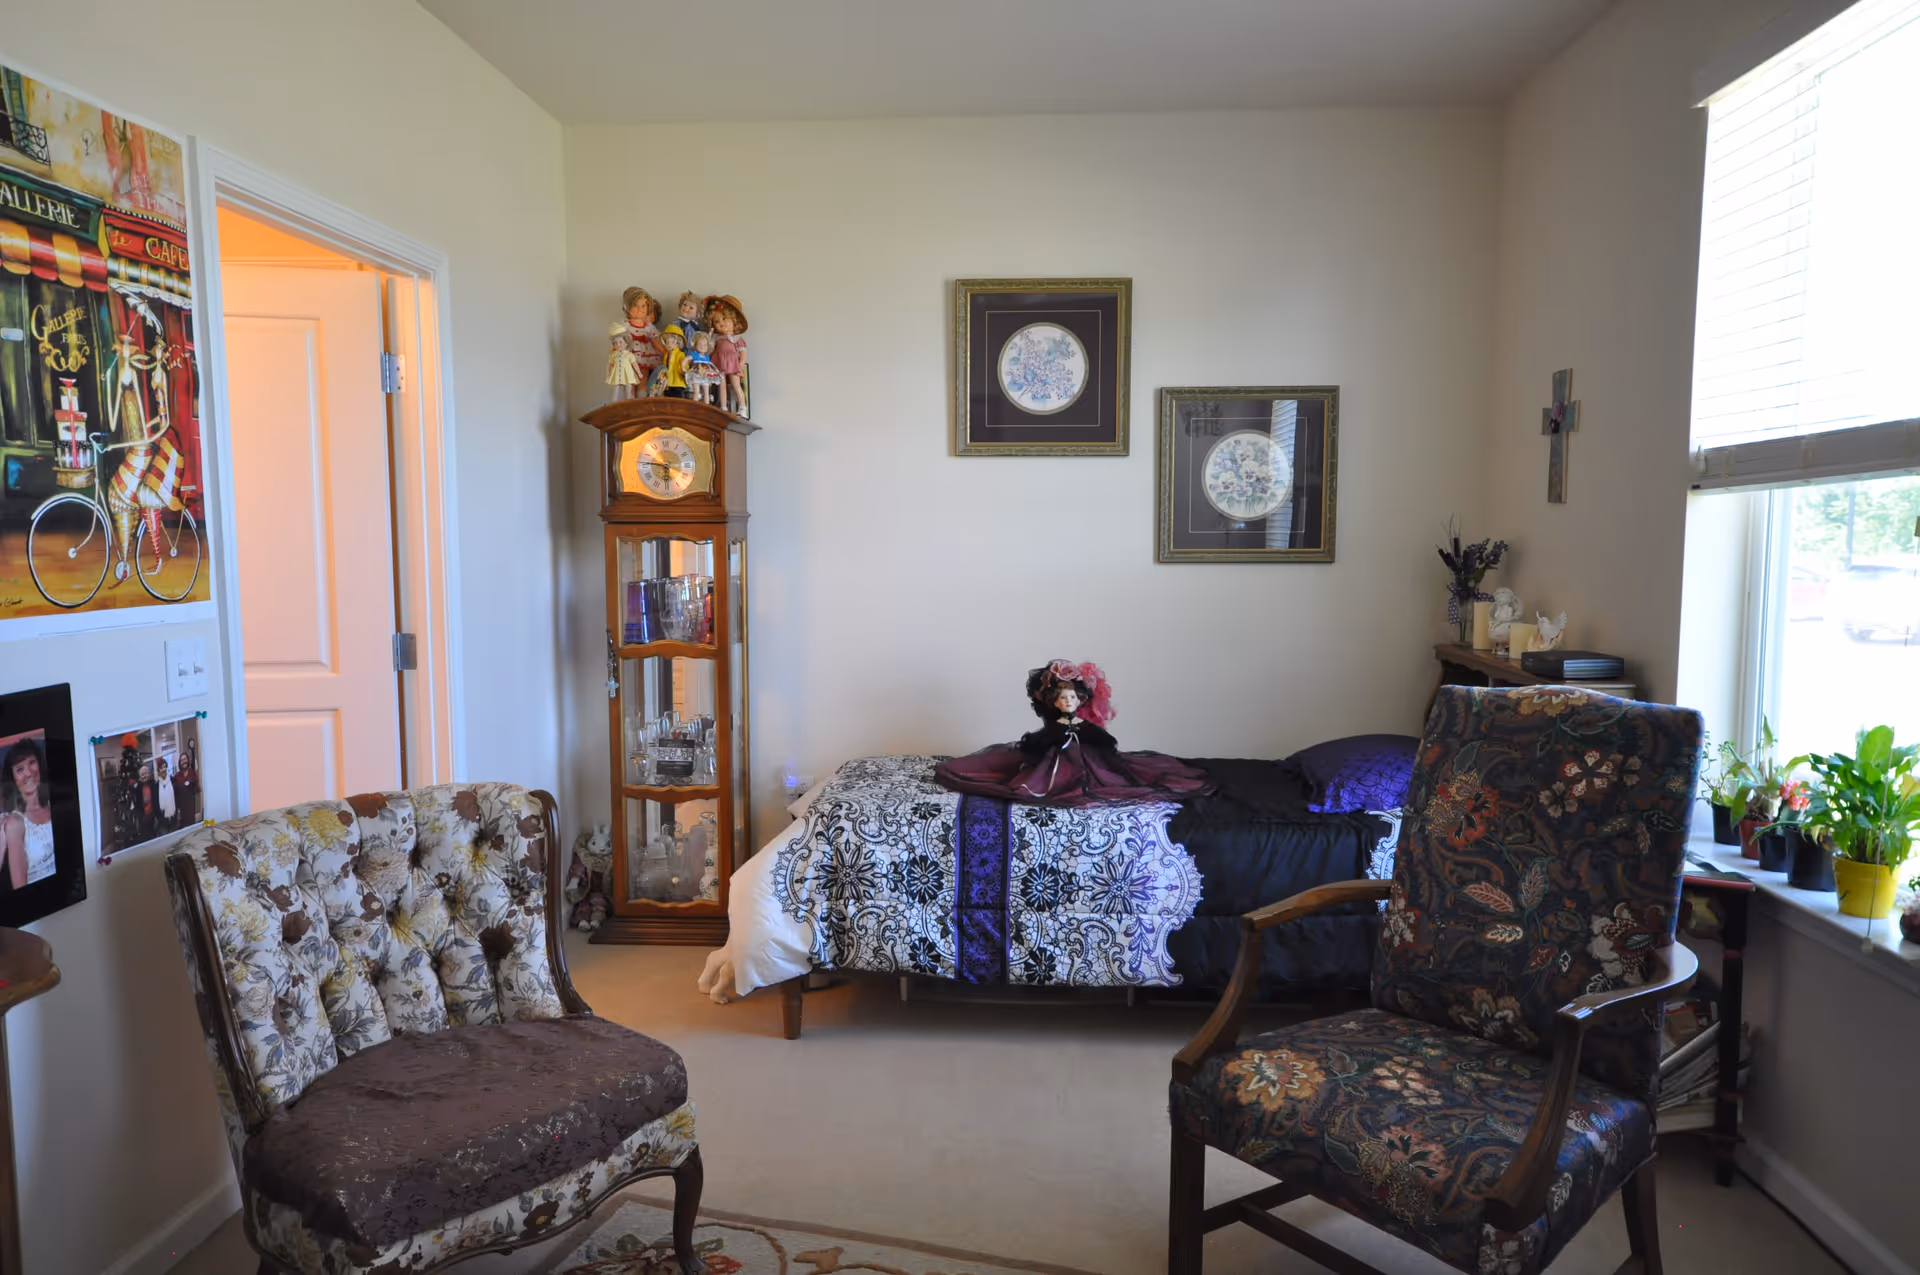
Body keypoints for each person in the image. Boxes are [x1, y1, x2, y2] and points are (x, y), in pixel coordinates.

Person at [934, 660, 1215, 807]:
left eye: (1072, 698)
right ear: (1053, 701)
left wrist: (1087, 736)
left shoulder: (1083, 724)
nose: (1068, 702)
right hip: (1054, 766)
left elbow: (1105, 742)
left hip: (1086, 766)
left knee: (1107, 773)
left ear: (1080, 699)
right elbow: (1040, 743)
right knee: (1037, 772)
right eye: (1062, 698)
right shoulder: (1055, 725)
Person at [2, 737, 56, 888]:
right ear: (13, 778)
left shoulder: (54, 804)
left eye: (32, 762)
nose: (29, 772)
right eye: (20, 769)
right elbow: (20, 888)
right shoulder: (15, 823)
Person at [706, 294, 749, 416]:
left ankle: (742, 407)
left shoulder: (736, 338)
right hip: (719, 363)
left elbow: (742, 352)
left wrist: (741, 363)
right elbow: (709, 349)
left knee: (736, 385)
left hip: (733, 364)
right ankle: (723, 407)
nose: (721, 323)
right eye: (717, 321)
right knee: (721, 385)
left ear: (733, 320)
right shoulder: (716, 338)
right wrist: (709, 334)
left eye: (724, 319)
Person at [155, 756, 177, 829]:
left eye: (165, 767)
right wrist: (158, 817)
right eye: (161, 768)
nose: (163, 769)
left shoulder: (173, 781)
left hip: (173, 817)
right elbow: (155, 803)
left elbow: (177, 797)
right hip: (162, 819)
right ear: (158, 770)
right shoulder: (156, 785)